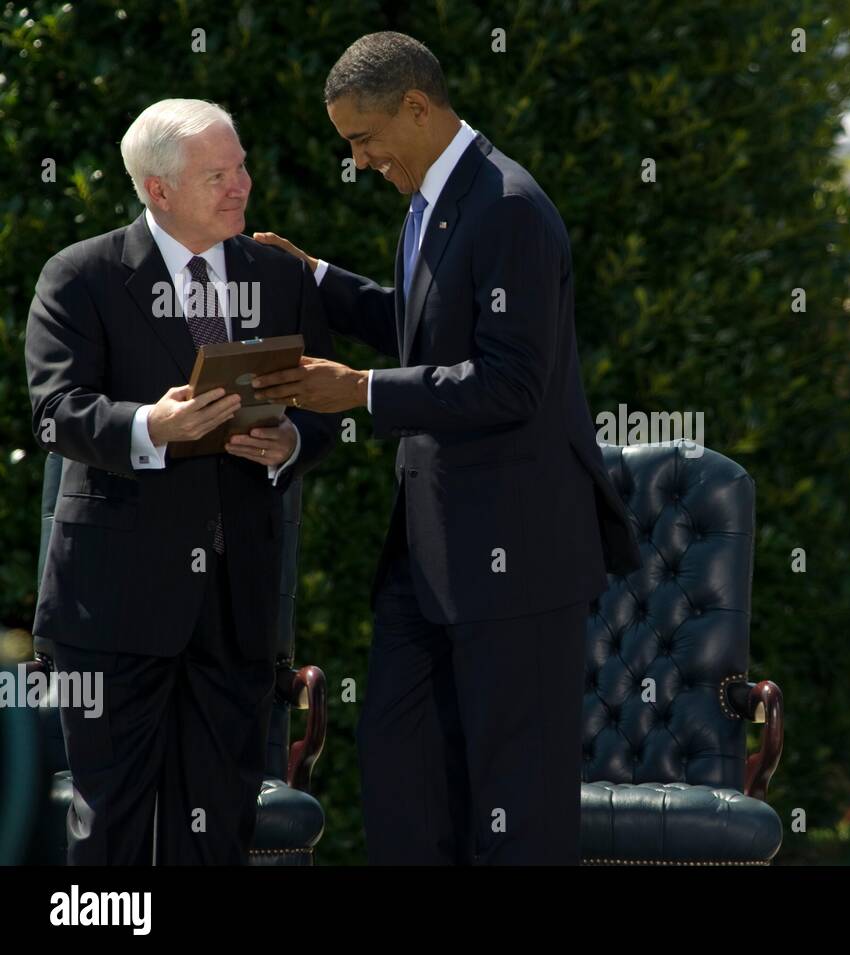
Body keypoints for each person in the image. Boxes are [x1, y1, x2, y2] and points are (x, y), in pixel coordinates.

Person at [252, 32, 641, 864]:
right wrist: (318, 275)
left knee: (515, 806)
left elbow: (509, 382)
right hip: (428, 559)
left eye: (363, 139)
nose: (357, 161)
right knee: (405, 783)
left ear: (419, 108)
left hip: (515, 560)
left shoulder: (508, 206)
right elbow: (425, 319)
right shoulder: (438, 196)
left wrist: (359, 391)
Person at [25, 98, 338, 864]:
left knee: (220, 825)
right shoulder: (82, 275)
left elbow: (325, 402)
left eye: (241, 168)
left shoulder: (279, 275)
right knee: (112, 828)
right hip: (113, 608)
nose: (242, 187)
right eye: (218, 175)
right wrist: (150, 427)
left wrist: (291, 439)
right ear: (157, 190)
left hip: (235, 607)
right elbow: (56, 411)